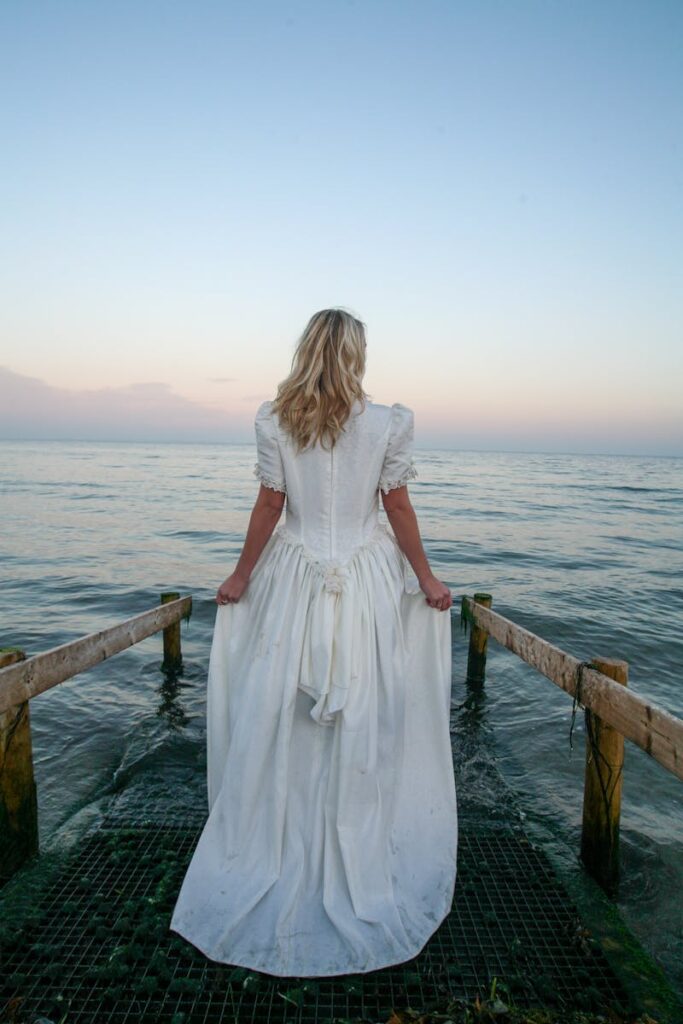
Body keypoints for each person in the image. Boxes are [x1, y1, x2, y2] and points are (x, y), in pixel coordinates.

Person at [170, 308, 458, 977]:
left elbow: (271, 508)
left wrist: (241, 576)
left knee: (283, 713)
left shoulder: (276, 419)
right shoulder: (386, 423)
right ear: (355, 354)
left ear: (305, 351)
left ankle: (282, 839)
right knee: (362, 710)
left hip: (294, 578)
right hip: (365, 581)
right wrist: (426, 578)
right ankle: (353, 835)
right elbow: (396, 507)